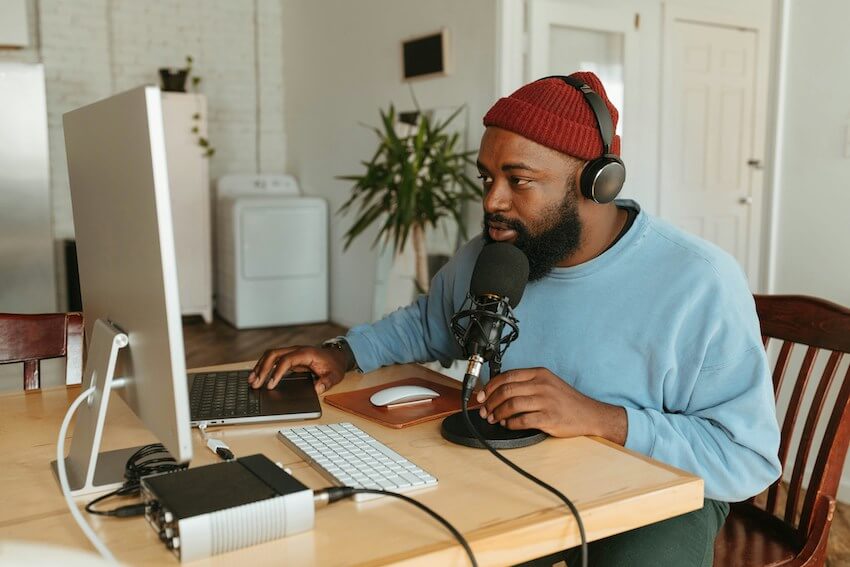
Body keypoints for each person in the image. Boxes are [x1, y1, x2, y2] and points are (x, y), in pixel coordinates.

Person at [248, 71, 781, 566]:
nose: (492, 201)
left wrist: (602, 419)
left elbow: (745, 457)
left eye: (518, 180)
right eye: (486, 178)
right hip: (523, 469)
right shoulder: (496, 252)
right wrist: (340, 353)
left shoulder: (698, 281)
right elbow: (426, 324)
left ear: (597, 184)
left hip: (656, 494)